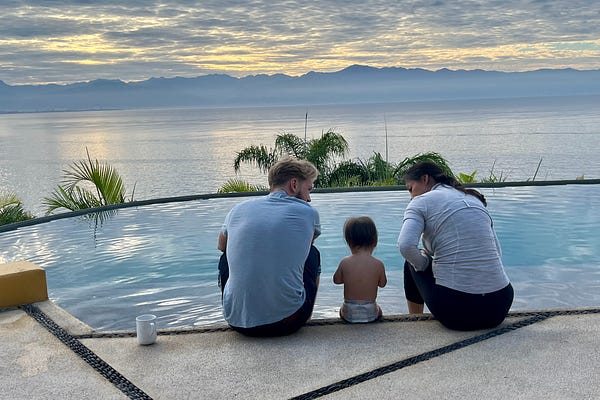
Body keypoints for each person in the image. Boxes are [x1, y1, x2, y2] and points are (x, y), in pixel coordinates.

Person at [397, 161, 513, 331]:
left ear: (425, 179)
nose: (411, 196)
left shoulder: (420, 202)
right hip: (499, 306)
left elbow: (406, 246)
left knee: (412, 261)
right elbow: (497, 251)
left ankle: (414, 320)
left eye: (411, 189)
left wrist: (424, 264)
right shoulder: (473, 199)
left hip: (458, 312)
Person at [217, 156, 321, 336]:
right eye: (308, 189)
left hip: (237, 323)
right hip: (288, 322)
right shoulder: (308, 212)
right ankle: (306, 313)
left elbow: (221, 246)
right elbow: (304, 245)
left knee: (225, 257)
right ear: (294, 184)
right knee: (312, 253)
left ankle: (240, 308)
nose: (309, 198)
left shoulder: (238, 209)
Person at [333, 216, 387, 323]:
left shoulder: (345, 262)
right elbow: (382, 284)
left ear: (349, 242)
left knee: (341, 310)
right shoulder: (378, 264)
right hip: (370, 312)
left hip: (349, 312)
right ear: (375, 241)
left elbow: (336, 280)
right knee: (379, 310)